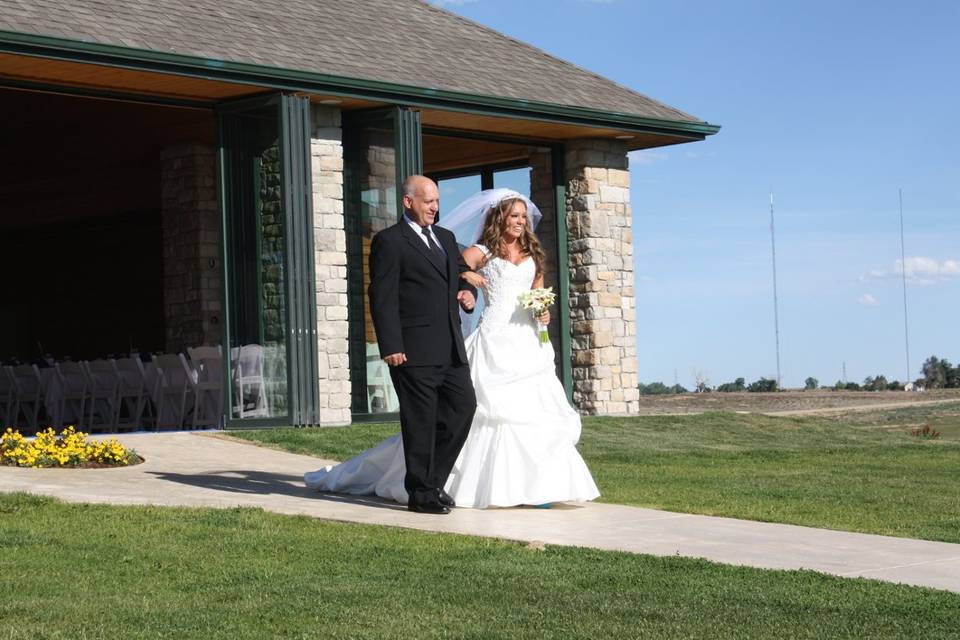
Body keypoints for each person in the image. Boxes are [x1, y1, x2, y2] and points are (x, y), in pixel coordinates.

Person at [305, 188, 599, 509]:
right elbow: (451, 267)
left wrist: (543, 312)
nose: (519, 221)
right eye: (514, 215)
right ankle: (438, 484)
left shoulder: (533, 253)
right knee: (474, 410)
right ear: (501, 218)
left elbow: (538, 294)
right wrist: (467, 278)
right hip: (494, 336)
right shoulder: (484, 250)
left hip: (527, 340)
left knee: (531, 411)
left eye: (523, 217)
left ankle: (538, 487)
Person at [362, 175, 478, 515]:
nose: (435, 207)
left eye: (437, 201)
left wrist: (468, 291)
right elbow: (381, 297)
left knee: (463, 408)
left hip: (451, 347)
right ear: (408, 202)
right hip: (411, 349)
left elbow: (458, 274)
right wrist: (391, 344)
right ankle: (421, 494)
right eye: (428, 201)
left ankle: (432, 482)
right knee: (420, 422)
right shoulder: (389, 241)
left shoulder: (445, 237)